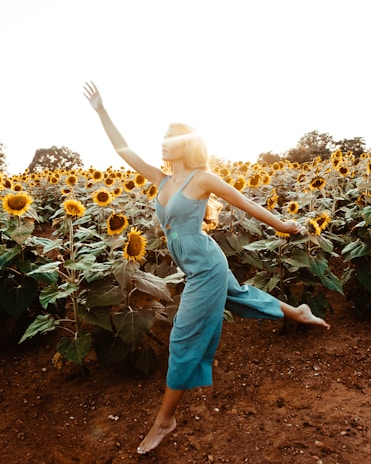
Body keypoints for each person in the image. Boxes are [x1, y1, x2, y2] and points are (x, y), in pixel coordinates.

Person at [83, 82, 330, 454]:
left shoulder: (203, 179)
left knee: (183, 337)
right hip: (197, 262)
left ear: (188, 143)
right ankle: (298, 313)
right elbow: (124, 150)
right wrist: (102, 110)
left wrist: (282, 225)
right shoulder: (162, 179)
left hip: (206, 268)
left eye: (170, 138)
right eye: (162, 137)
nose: (163, 143)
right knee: (240, 296)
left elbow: (246, 203)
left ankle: (165, 420)